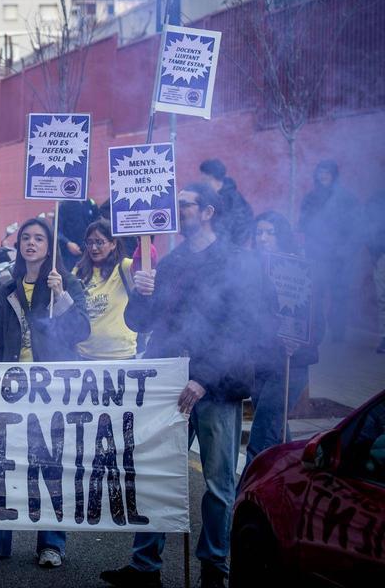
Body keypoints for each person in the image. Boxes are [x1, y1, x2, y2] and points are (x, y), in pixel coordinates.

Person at [100, 183, 257, 588]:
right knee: (156, 473)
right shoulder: (169, 263)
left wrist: (203, 378)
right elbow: (142, 323)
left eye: (183, 205)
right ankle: (144, 566)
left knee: (218, 485)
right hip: (170, 383)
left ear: (206, 211)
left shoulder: (234, 261)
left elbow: (238, 330)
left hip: (215, 389)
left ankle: (214, 568)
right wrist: (141, 293)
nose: (176, 210)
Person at [0, 217, 88, 568]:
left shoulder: (66, 282)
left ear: (49, 246)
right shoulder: (7, 288)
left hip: (50, 391)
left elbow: (80, 331)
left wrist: (62, 296)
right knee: (1, 464)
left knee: (49, 465)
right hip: (10, 391)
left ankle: (51, 544)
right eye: (25, 238)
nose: (30, 243)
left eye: (38, 238)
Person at [245, 211, 317, 461]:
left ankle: (246, 492)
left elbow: (317, 323)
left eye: (269, 233)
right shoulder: (252, 269)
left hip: (289, 364)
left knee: (263, 436)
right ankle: (291, 476)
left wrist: (297, 340)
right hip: (261, 361)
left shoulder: (297, 269)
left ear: (281, 236)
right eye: (258, 233)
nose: (263, 238)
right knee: (276, 429)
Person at [299, 160, 359, 342]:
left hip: (339, 256)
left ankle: (338, 335)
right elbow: (303, 224)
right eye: (320, 171)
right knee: (315, 294)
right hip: (316, 254)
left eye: (327, 172)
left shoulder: (346, 199)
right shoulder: (311, 197)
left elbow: (356, 227)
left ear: (334, 175)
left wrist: (346, 250)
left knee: (339, 295)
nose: (323, 175)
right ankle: (316, 332)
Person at [73, 219, 138, 361]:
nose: (94, 248)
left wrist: (144, 234)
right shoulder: (78, 271)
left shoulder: (124, 267)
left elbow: (143, 263)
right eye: (89, 242)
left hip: (121, 356)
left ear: (113, 243)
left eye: (99, 242)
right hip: (85, 357)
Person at [199, 159, 253, 247]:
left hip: (228, 251)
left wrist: (230, 248)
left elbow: (243, 227)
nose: (202, 183)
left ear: (215, 179)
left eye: (205, 180)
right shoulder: (210, 197)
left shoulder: (233, 199)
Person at [55, 197, 97, 271]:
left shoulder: (89, 203)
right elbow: (56, 231)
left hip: (89, 252)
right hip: (70, 255)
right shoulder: (63, 205)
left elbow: (98, 223)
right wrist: (68, 243)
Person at [368, 188, 385, 353]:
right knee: (383, 298)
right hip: (382, 253)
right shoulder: (379, 198)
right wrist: (374, 250)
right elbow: (369, 224)